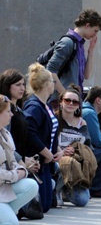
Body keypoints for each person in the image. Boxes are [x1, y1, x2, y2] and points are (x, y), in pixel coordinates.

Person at [23, 63, 62, 213]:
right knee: (43, 206)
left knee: (46, 204)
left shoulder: (46, 105)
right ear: (47, 84)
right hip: (38, 160)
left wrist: (57, 149)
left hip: (47, 160)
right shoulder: (34, 107)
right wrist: (46, 152)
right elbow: (30, 134)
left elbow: (50, 131)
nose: (54, 85)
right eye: (53, 82)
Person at [47, 9, 101, 102]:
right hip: (61, 101)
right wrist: (65, 96)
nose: (95, 35)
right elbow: (50, 71)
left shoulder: (79, 44)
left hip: (72, 100)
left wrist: (91, 51)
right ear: (87, 25)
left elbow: (86, 75)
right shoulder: (68, 43)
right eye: (95, 31)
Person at [0, 95, 39, 225]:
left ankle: (5, 212)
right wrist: (15, 175)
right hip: (4, 181)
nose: (11, 114)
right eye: (8, 111)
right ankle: (6, 216)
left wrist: (22, 170)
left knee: (32, 185)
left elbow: (13, 161)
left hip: (4, 185)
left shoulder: (5, 134)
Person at [55, 86, 94, 207]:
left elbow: (87, 146)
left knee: (82, 200)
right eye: (67, 100)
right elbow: (49, 141)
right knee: (62, 163)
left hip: (76, 162)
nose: (71, 104)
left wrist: (75, 150)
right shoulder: (54, 119)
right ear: (61, 102)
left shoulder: (82, 123)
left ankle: (68, 189)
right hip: (58, 160)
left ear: (78, 106)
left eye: (75, 102)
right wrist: (62, 152)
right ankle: (57, 190)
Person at [0, 69, 29, 160]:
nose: (22, 88)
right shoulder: (4, 111)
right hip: (11, 163)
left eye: (23, 84)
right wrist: (21, 162)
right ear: (7, 86)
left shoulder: (19, 109)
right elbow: (5, 142)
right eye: (18, 85)